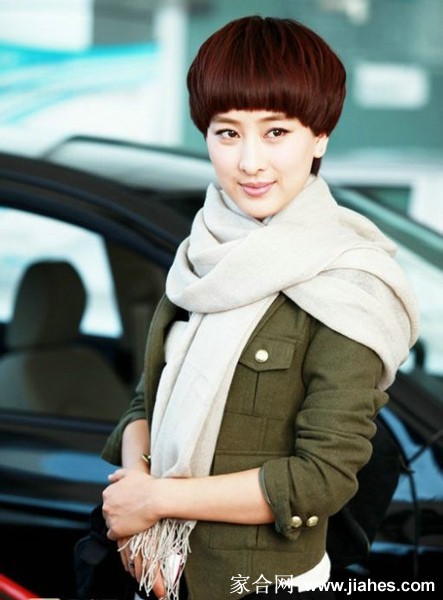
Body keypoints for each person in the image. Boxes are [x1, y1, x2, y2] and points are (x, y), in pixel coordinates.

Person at [101, 15, 419, 600]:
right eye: (227, 132)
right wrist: (135, 497)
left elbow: (320, 478)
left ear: (319, 136)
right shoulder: (201, 256)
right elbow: (148, 400)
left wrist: (155, 500)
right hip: (156, 573)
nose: (249, 161)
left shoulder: (349, 281)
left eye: (276, 132)